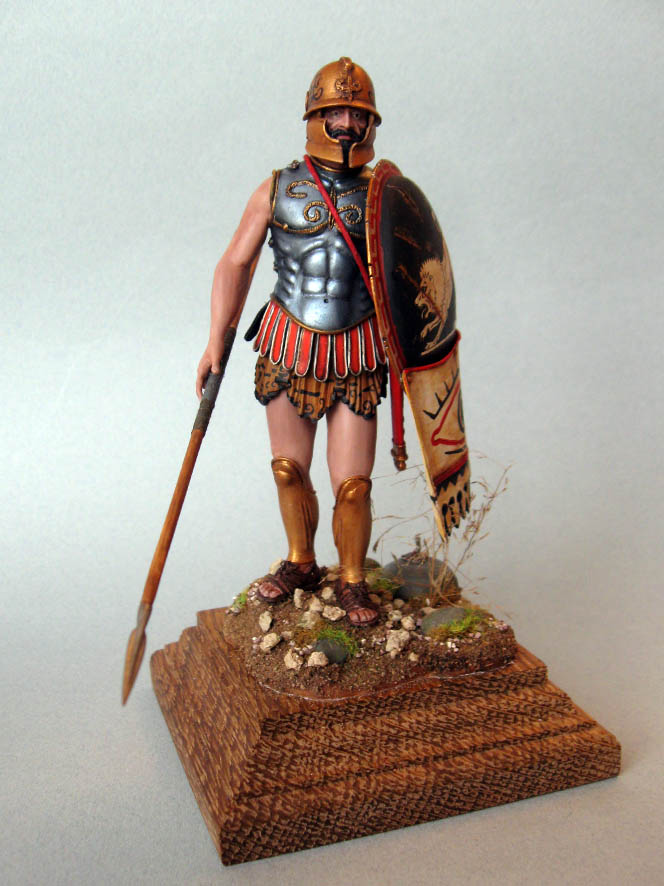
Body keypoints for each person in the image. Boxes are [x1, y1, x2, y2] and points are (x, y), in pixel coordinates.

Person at [196, 57, 386, 627]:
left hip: (356, 347)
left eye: (357, 113)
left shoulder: (384, 193)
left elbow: (417, 280)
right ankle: (301, 561)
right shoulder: (277, 188)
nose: (347, 124)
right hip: (289, 343)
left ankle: (351, 578)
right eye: (336, 112)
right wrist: (215, 339)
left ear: (371, 121)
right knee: (288, 468)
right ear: (315, 116)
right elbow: (235, 263)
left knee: (352, 486)